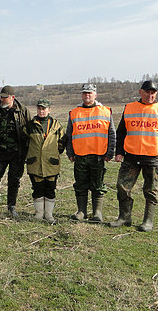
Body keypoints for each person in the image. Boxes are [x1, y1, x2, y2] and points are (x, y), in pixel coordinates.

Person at [110, 80, 158, 232]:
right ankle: (124, 217)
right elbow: (121, 133)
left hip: (153, 158)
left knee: (151, 190)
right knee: (122, 187)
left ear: (156, 94)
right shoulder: (130, 108)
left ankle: (148, 221)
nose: (150, 95)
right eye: (147, 92)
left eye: (153, 93)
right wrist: (118, 152)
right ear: (140, 92)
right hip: (131, 157)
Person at [66, 83, 116, 222]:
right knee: (80, 184)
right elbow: (69, 134)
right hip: (80, 156)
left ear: (95, 95)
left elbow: (111, 133)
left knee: (98, 185)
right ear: (82, 95)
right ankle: (81, 212)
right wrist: (70, 152)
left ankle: (97, 213)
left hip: (98, 156)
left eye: (90, 93)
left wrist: (110, 152)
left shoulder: (105, 112)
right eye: (85, 93)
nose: (87, 95)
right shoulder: (74, 113)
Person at [0, 85, 31, 219]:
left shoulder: (23, 111)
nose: (2, 100)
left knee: (14, 181)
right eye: (1, 97)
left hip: (17, 154)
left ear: (12, 98)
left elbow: (28, 130)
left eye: (5, 97)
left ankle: (11, 207)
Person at [23, 99, 66, 224]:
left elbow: (62, 142)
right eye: (39, 109)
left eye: (44, 109)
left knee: (50, 189)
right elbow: (24, 142)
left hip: (51, 164)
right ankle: (39, 214)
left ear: (49, 110)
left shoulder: (56, 125)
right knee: (37, 189)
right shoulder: (30, 126)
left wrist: (53, 153)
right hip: (35, 163)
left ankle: (49, 215)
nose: (41, 111)